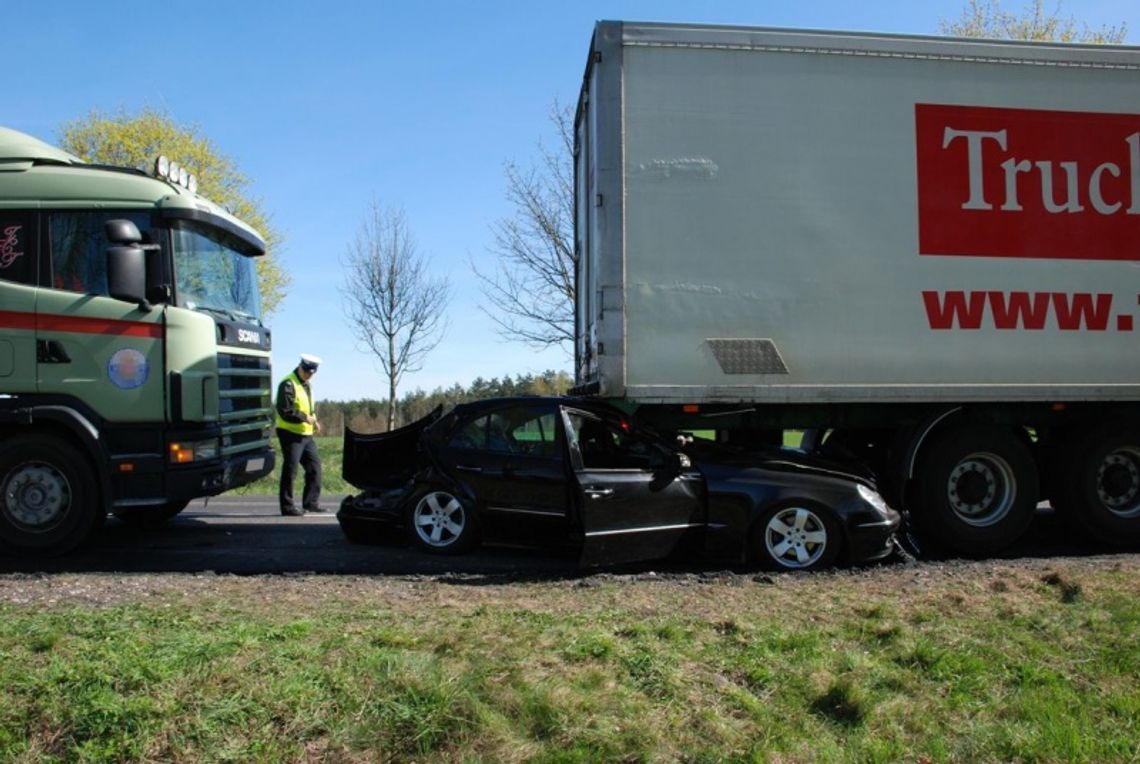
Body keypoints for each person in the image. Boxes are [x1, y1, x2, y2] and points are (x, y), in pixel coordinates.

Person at [275, 353, 324, 516]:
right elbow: (285, 411)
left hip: (306, 434)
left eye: (312, 373)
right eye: (307, 372)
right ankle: (287, 506)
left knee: (315, 468)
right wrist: (305, 418)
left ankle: (311, 502)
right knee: (291, 470)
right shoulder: (288, 383)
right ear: (301, 367)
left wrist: (314, 420)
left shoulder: (308, 385)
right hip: (290, 433)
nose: (309, 375)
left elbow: (309, 408)